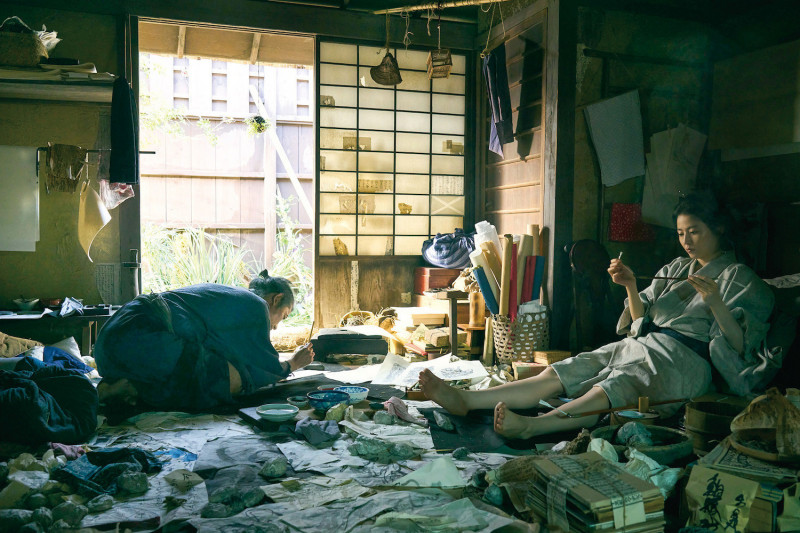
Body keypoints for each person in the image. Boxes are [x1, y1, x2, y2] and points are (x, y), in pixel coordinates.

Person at [420, 193, 776, 439]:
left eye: (695, 232)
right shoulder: (677, 267)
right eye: (682, 233)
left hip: (686, 361)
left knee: (615, 386)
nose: (687, 241)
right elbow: (639, 321)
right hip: (644, 344)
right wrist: (630, 285)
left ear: (719, 228)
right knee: (568, 368)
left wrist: (715, 302)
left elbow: (741, 347)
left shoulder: (741, 278)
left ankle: (533, 427)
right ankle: (468, 400)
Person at [94, 270, 314, 418]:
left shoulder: (231, 298)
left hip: (111, 343)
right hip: (141, 336)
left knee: (210, 366)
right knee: (232, 380)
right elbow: (264, 368)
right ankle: (133, 389)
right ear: (276, 299)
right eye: (283, 316)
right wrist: (294, 363)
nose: (275, 327)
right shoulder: (257, 306)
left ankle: (123, 385)